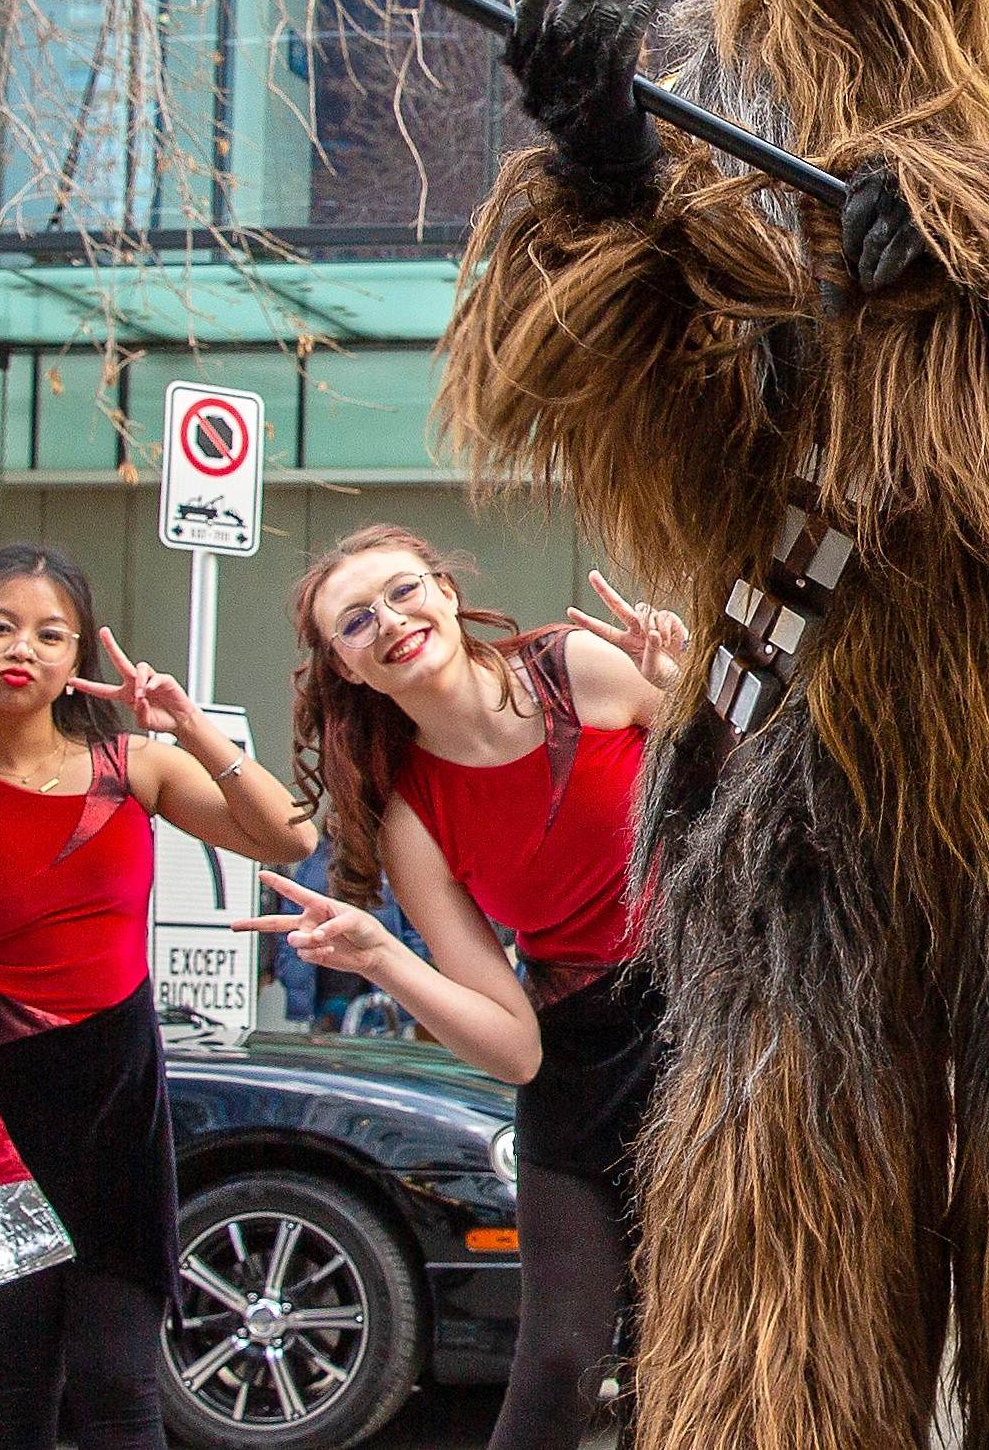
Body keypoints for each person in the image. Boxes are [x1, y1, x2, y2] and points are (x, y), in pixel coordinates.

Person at [248, 531, 681, 1450]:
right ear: (346, 668)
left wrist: (683, 686)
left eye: (404, 591)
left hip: (709, 1021)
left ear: (445, 590)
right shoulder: (411, 815)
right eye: (356, 622)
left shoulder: (579, 670)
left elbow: (756, 781)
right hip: (576, 1063)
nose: (390, 622)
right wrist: (381, 958)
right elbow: (515, 1046)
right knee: (560, 1359)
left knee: (690, 1352)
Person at [0, 542, 314, 1450]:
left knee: (117, 1390)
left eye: (48, 631)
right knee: (10, 1397)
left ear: (75, 661)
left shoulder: (132, 765)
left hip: (116, 1105)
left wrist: (190, 725)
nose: (19, 647)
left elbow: (287, 838)